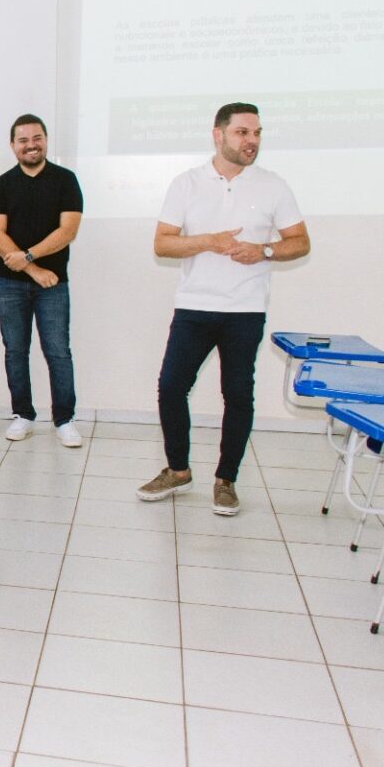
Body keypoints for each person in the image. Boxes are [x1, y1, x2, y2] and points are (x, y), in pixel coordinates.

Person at [137, 102, 310, 517]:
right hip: (194, 306)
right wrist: (208, 241)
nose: (252, 141)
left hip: (245, 309)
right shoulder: (187, 184)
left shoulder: (273, 185)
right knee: (171, 387)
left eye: (257, 134)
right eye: (242, 133)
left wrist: (264, 249)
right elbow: (163, 243)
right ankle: (178, 471)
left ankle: (226, 480)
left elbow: (300, 242)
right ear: (219, 134)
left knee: (237, 395)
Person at [0, 114, 85, 448]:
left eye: (37, 138)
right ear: (13, 146)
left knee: (58, 351)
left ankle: (65, 419)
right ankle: (23, 414)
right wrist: (32, 268)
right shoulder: (1, 185)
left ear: (45, 140)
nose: (31, 145)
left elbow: (67, 231)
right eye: (23, 140)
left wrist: (27, 257)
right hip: (10, 284)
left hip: (54, 284)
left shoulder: (65, 180)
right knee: (15, 351)